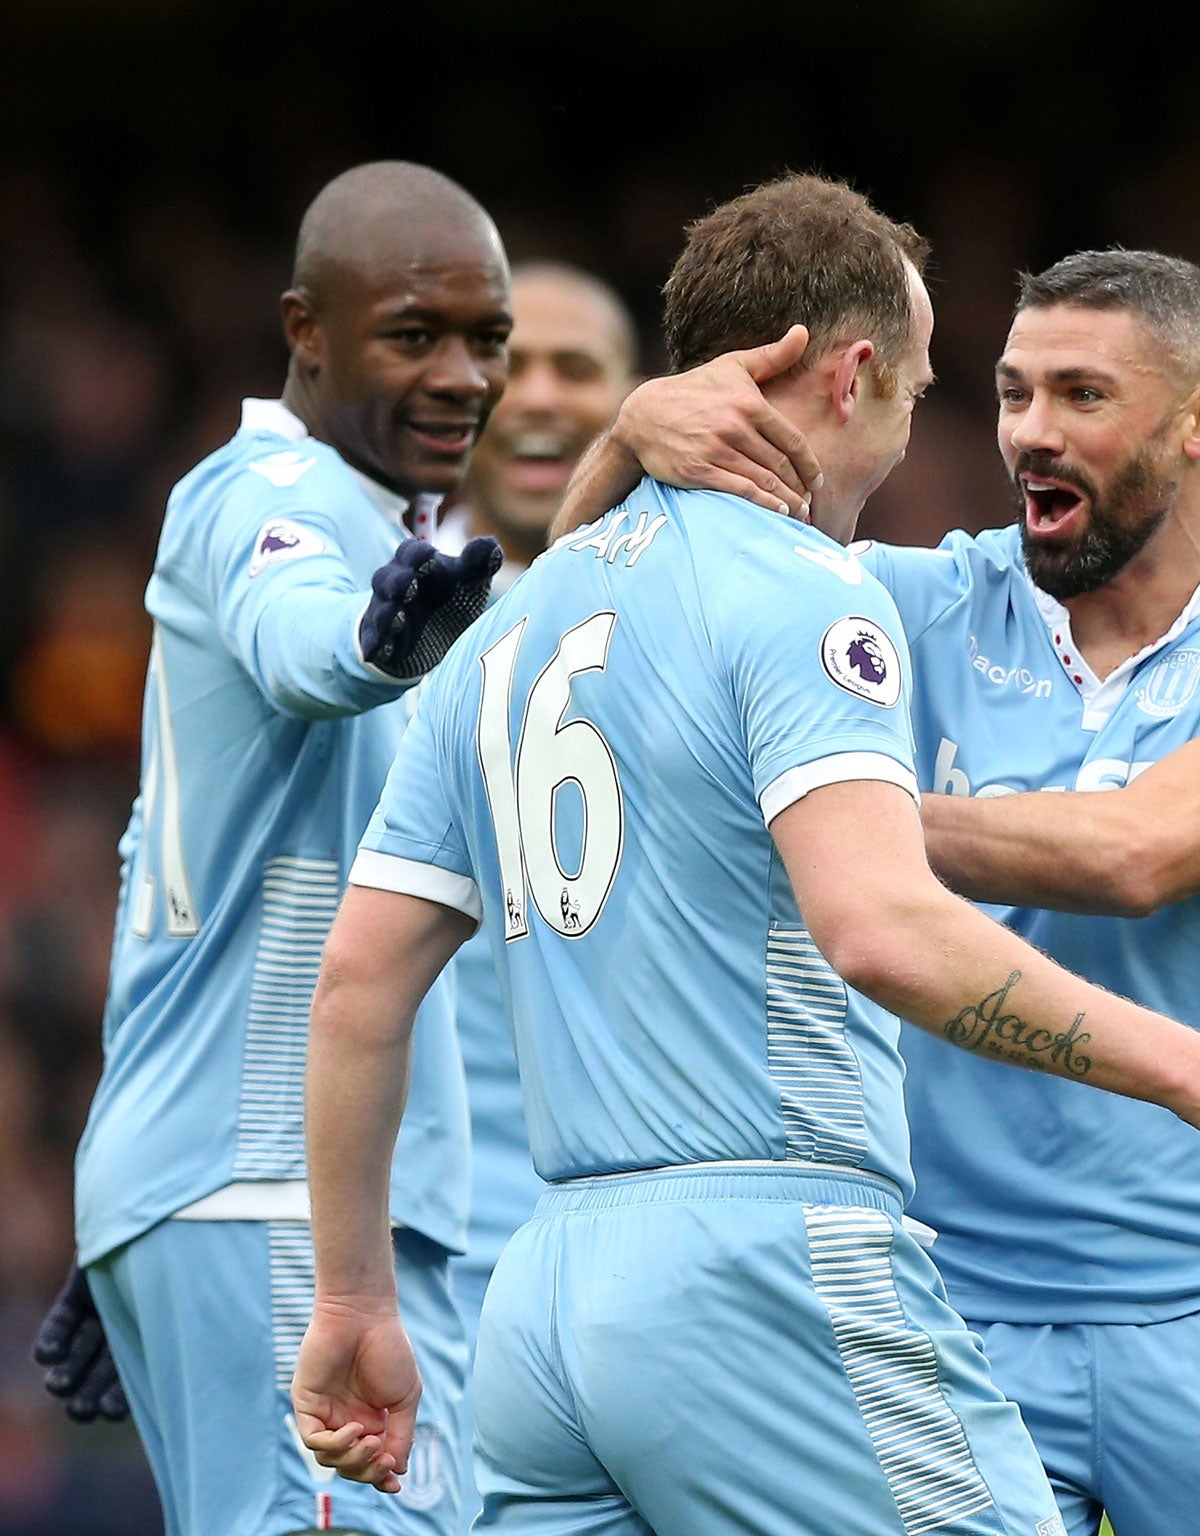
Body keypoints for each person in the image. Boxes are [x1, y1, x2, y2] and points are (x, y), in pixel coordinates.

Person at [291, 175, 1200, 1536]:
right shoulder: (813, 593)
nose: (927, 435)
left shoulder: (510, 628)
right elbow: (881, 929)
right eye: (920, 392)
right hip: (772, 1257)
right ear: (852, 374)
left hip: (544, 1299)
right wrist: (1198, 1069)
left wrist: (350, 1301)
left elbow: (357, 987)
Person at [555, 249, 1200, 1536]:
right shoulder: (919, 604)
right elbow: (590, 635)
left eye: (1080, 395)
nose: (1029, 432)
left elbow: (1140, 852)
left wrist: (836, 812)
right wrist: (624, 444)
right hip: (954, 1315)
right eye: (1013, 392)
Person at [35, 162, 830, 1536]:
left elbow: (180, 840)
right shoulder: (273, 500)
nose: (468, 378)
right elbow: (311, 641)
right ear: (305, 332)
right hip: (275, 1181)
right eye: (419, 337)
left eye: (490, 343)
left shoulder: (409, 538)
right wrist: (369, 643)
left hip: (257, 1184)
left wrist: (156, 1180)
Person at [434, 261, 639, 1347]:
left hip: (652, 1250)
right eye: (511, 369)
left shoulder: (707, 615)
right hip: (427, 1256)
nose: (543, 397)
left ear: (638, 401)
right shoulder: (368, 622)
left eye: (578, 368)